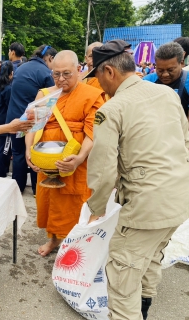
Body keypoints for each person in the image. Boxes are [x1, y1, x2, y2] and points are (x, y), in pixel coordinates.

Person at [86, 39, 189, 320]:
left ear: (108, 71)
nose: (98, 84)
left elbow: (103, 169)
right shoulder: (167, 94)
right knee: (152, 257)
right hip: (180, 200)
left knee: (121, 280)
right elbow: (186, 142)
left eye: (96, 76)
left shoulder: (112, 109)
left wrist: (96, 209)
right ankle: (144, 310)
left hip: (146, 206)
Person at [25, 50, 104, 256]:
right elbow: (33, 126)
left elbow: (93, 131)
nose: (61, 79)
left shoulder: (91, 94)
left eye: (66, 74)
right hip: (46, 159)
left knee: (76, 202)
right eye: (56, 74)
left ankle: (76, 246)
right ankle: (53, 240)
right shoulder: (44, 95)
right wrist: (28, 150)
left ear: (78, 70)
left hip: (77, 160)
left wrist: (79, 159)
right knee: (50, 202)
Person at [5, 44, 56, 195]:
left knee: (18, 154)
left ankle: (18, 188)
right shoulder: (46, 73)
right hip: (33, 120)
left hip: (15, 118)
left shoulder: (21, 67)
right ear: (50, 58)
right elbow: (51, 99)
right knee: (34, 153)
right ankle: (36, 188)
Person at [143, 42, 189, 119]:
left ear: (181, 63)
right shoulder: (147, 81)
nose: (165, 75)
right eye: (160, 70)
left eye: (170, 70)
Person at [0, 61, 14, 178]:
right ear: (11, 73)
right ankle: (0, 174)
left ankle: (4, 170)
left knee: (4, 147)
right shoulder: (8, 89)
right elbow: (10, 107)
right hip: (5, 122)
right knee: (5, 149)